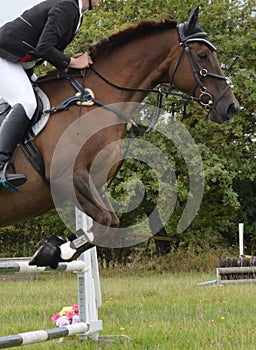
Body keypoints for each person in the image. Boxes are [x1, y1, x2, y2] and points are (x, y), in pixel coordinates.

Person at [0, 0, 100, 189]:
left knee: (39, 98)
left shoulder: (76, 13)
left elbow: (49, 47)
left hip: (20, 63)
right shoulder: (66, 7)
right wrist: (71, 62)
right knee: (27, 103)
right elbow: (44, 48)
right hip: (5, 57)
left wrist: (70, 59)